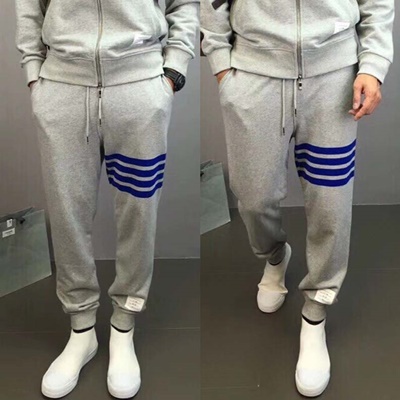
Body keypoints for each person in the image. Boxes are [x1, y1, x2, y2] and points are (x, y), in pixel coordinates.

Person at [201, 0, 394, 397]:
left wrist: (373, 65)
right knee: (253, 198)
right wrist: (221, 64)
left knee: (330, 202)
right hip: (255, 74)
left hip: (333, 77)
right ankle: (275, 256)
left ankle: (315, 311)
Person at [15, 0, 198, 398]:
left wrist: (173, 71)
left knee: (139, 211)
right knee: (67, 214)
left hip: (139, 89)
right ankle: (81, 330)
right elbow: (29, 6)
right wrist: (34, 75)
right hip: (63, 88)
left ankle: (123, 326)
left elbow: (184, 4)